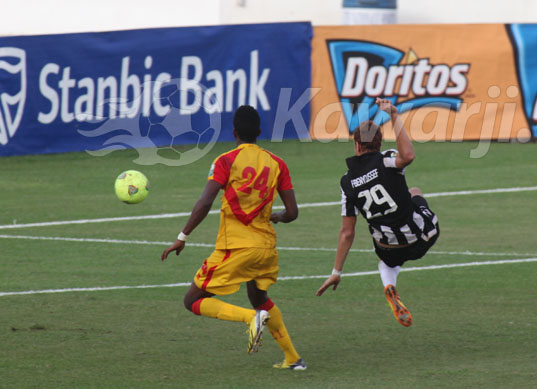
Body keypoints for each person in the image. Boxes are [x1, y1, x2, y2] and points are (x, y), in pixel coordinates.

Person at [161, 105, 306, 370]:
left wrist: (183, 236)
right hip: (266, 247)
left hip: (236, 247)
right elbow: (293, 212)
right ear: (259, 132)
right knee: (259, 295)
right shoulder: (277, 163)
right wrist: (276, 216)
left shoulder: (226, 160)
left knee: (192, 300)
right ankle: (293, 358)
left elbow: (205, 202)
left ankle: (252, 318)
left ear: (234, 132)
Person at [316, 98, 440, 327]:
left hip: (386, 248)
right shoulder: (386, 160)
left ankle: (389, 284)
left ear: (356, 146)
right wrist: (394, 115)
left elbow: (347, 232)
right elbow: (408, 156)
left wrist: (336, 271)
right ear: (380, 143)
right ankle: (391, 280)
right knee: (415, 191)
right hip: (422, 237)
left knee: (386, 262)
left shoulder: (347, 182)